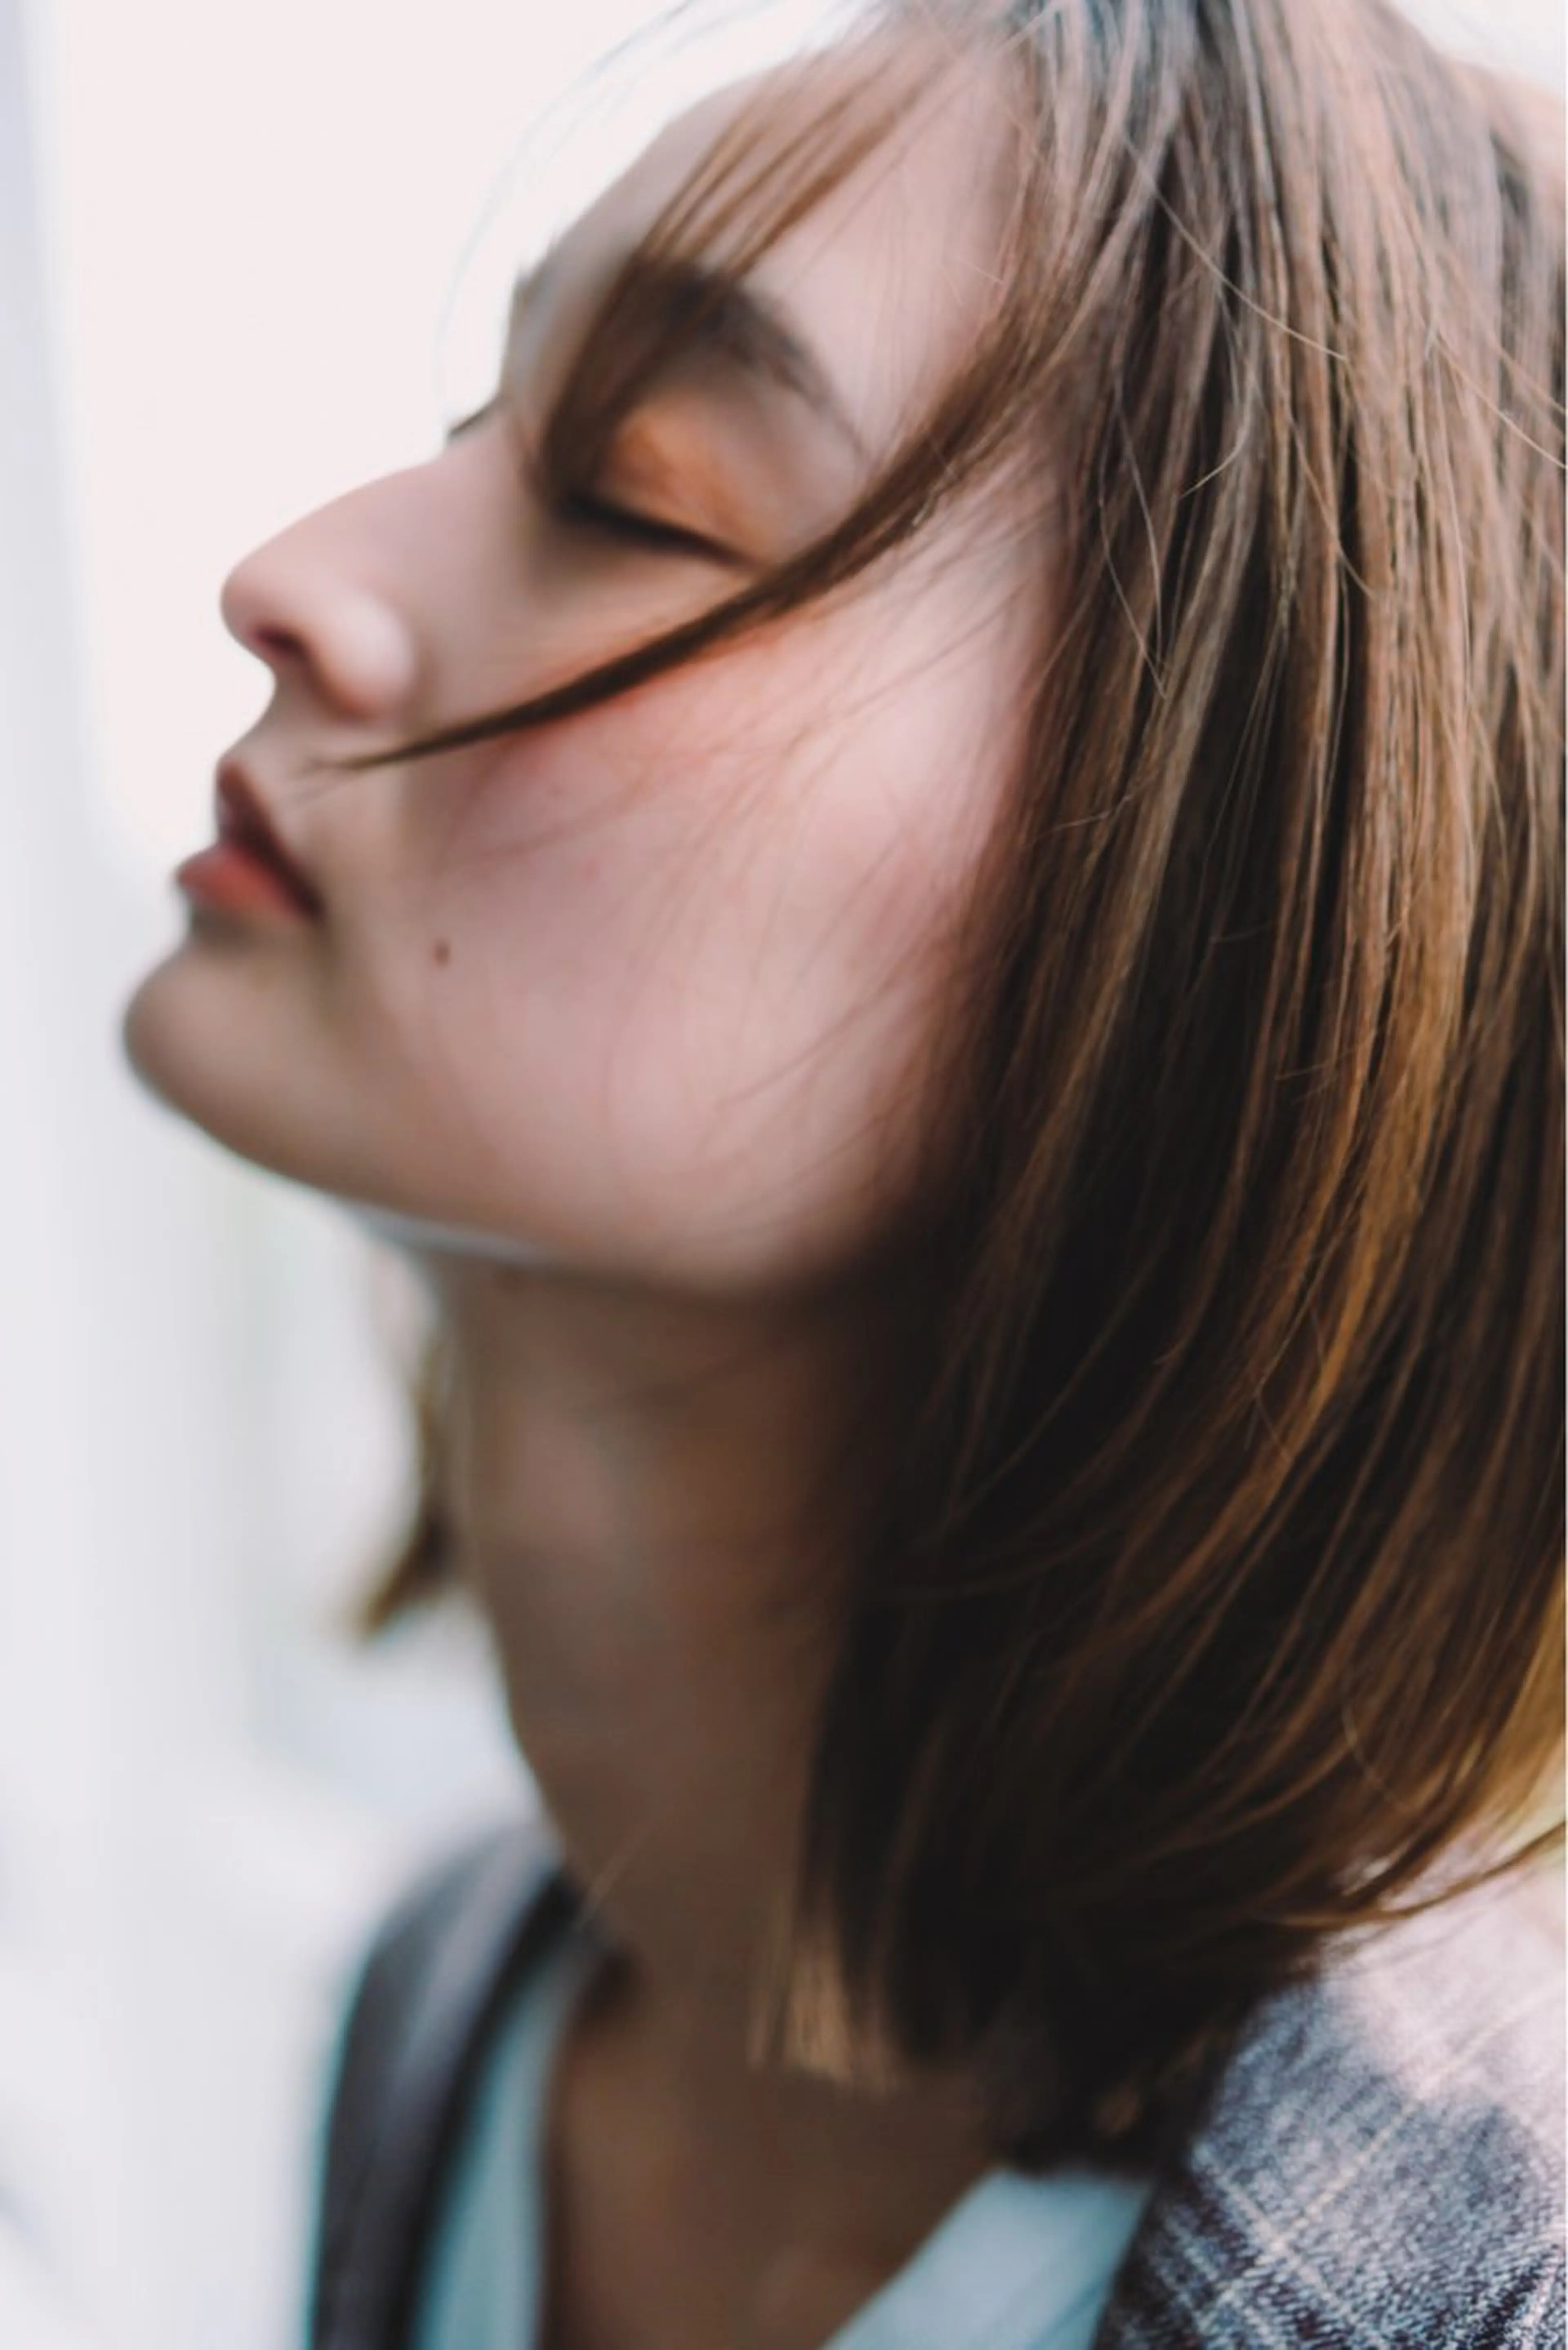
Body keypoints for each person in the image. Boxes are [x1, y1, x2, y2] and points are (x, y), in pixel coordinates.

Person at [121, 0, 1564, 2343]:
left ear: (1208, 930)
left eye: (638, 490)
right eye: (479, 427)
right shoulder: (445, 2029)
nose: (293, 572)